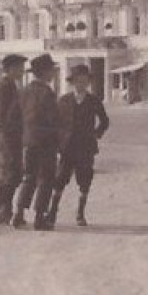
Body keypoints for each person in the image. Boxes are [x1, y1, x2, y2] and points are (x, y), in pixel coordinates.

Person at [50, 65, 111, 227]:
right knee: (60, 179)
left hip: (85, 147)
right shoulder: (64, 101)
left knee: (85, 180)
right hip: (67, 148)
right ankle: (52, 212)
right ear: (73, 82)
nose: (81, 84)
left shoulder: (93, 101)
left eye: (85, 81)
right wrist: (58, 141)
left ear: (88, 82)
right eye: (78, 81)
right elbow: (55, 123)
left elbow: (105, 121)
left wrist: (96, 134)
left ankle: (80, 213)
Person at [12, 53, 61, 231]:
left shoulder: (23, 91)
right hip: (46, 142)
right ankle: (40, 217)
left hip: (29, 142)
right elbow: (53, 120)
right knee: (46, 179)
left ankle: (18, 214)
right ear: (45, 72)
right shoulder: (47, 93)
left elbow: (15, 117)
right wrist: (59, 142)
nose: (53, 74)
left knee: (29, 177)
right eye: (51, 71)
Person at [0, 53, 26, 225]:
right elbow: (1, 115)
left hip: (11, 135)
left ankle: (4, 209)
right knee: (11, 171)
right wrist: (8, 134)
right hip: (6, 135)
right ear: (10, 69)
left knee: (13, 172)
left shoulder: (11, 85)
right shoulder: (4, 87)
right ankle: (3, 210)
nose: (22, 70)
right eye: (19, 67)